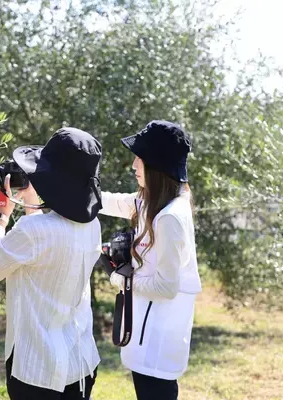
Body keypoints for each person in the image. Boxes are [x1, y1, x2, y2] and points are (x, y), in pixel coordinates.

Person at [0, 127, 103, 400]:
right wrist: (32, 204)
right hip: (80, 361)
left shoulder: (33, 231)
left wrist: (0, 217)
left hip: (36, 371)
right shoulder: (93, 225)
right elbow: (46, 243)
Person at [99, 120, 202, 400]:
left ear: (156, 165)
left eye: (140, 158)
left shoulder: (170, 217)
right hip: (147, 334)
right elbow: (115, 202)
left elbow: (166, 287)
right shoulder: (153, 201)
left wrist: (120, 279)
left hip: (158, 342)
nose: (134, 165)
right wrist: (77, 192)